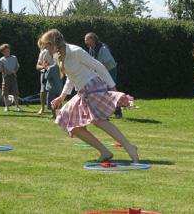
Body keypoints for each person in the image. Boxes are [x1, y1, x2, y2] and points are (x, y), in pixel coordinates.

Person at [40, 29, 139, 163]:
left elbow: (99, 67)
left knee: (99, 121)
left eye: (47, 46)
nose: (46, 50)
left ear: (53, 44)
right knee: (67, 120)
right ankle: (105, 151)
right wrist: (62, 96)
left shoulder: (76, 51)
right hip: (82, 91)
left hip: (92, 86)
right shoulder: (58, 56)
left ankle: (130, 148)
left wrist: (113, 87)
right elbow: (71, 76)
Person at [84, 32, 122, 118]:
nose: (86, 43)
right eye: (86, 42)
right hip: (101, 71)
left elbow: (108, 63)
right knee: (100, 92)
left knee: (111, 91)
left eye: (87, 41)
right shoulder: (91, 48)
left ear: (93, 40)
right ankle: (103, 113)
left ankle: (118, 112)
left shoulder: (103, 48)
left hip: (110, 71)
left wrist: (99, 71)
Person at [0, 43, 21, 112]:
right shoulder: (1, 59)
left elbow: (17, 67)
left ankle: (17, 107)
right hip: (5, 77)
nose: (7, 53)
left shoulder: (14, 57)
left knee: (15, 92)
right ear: (2, 52)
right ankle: (6, 107)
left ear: (9, 50)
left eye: (8, 51)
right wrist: (6, 71)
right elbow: (0, 69)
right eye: (5, 52)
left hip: (13, 76)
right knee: (5, 93)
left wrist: (14, 71)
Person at [36, 39, 55, 115]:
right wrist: (43, 67)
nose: (47, 46)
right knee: (43, 90)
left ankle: (55, 110)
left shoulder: (57, 52)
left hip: (55, 74)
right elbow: (37, 66)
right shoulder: (43, 53)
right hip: (44, 73)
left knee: (55, 91)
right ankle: (42, 108)